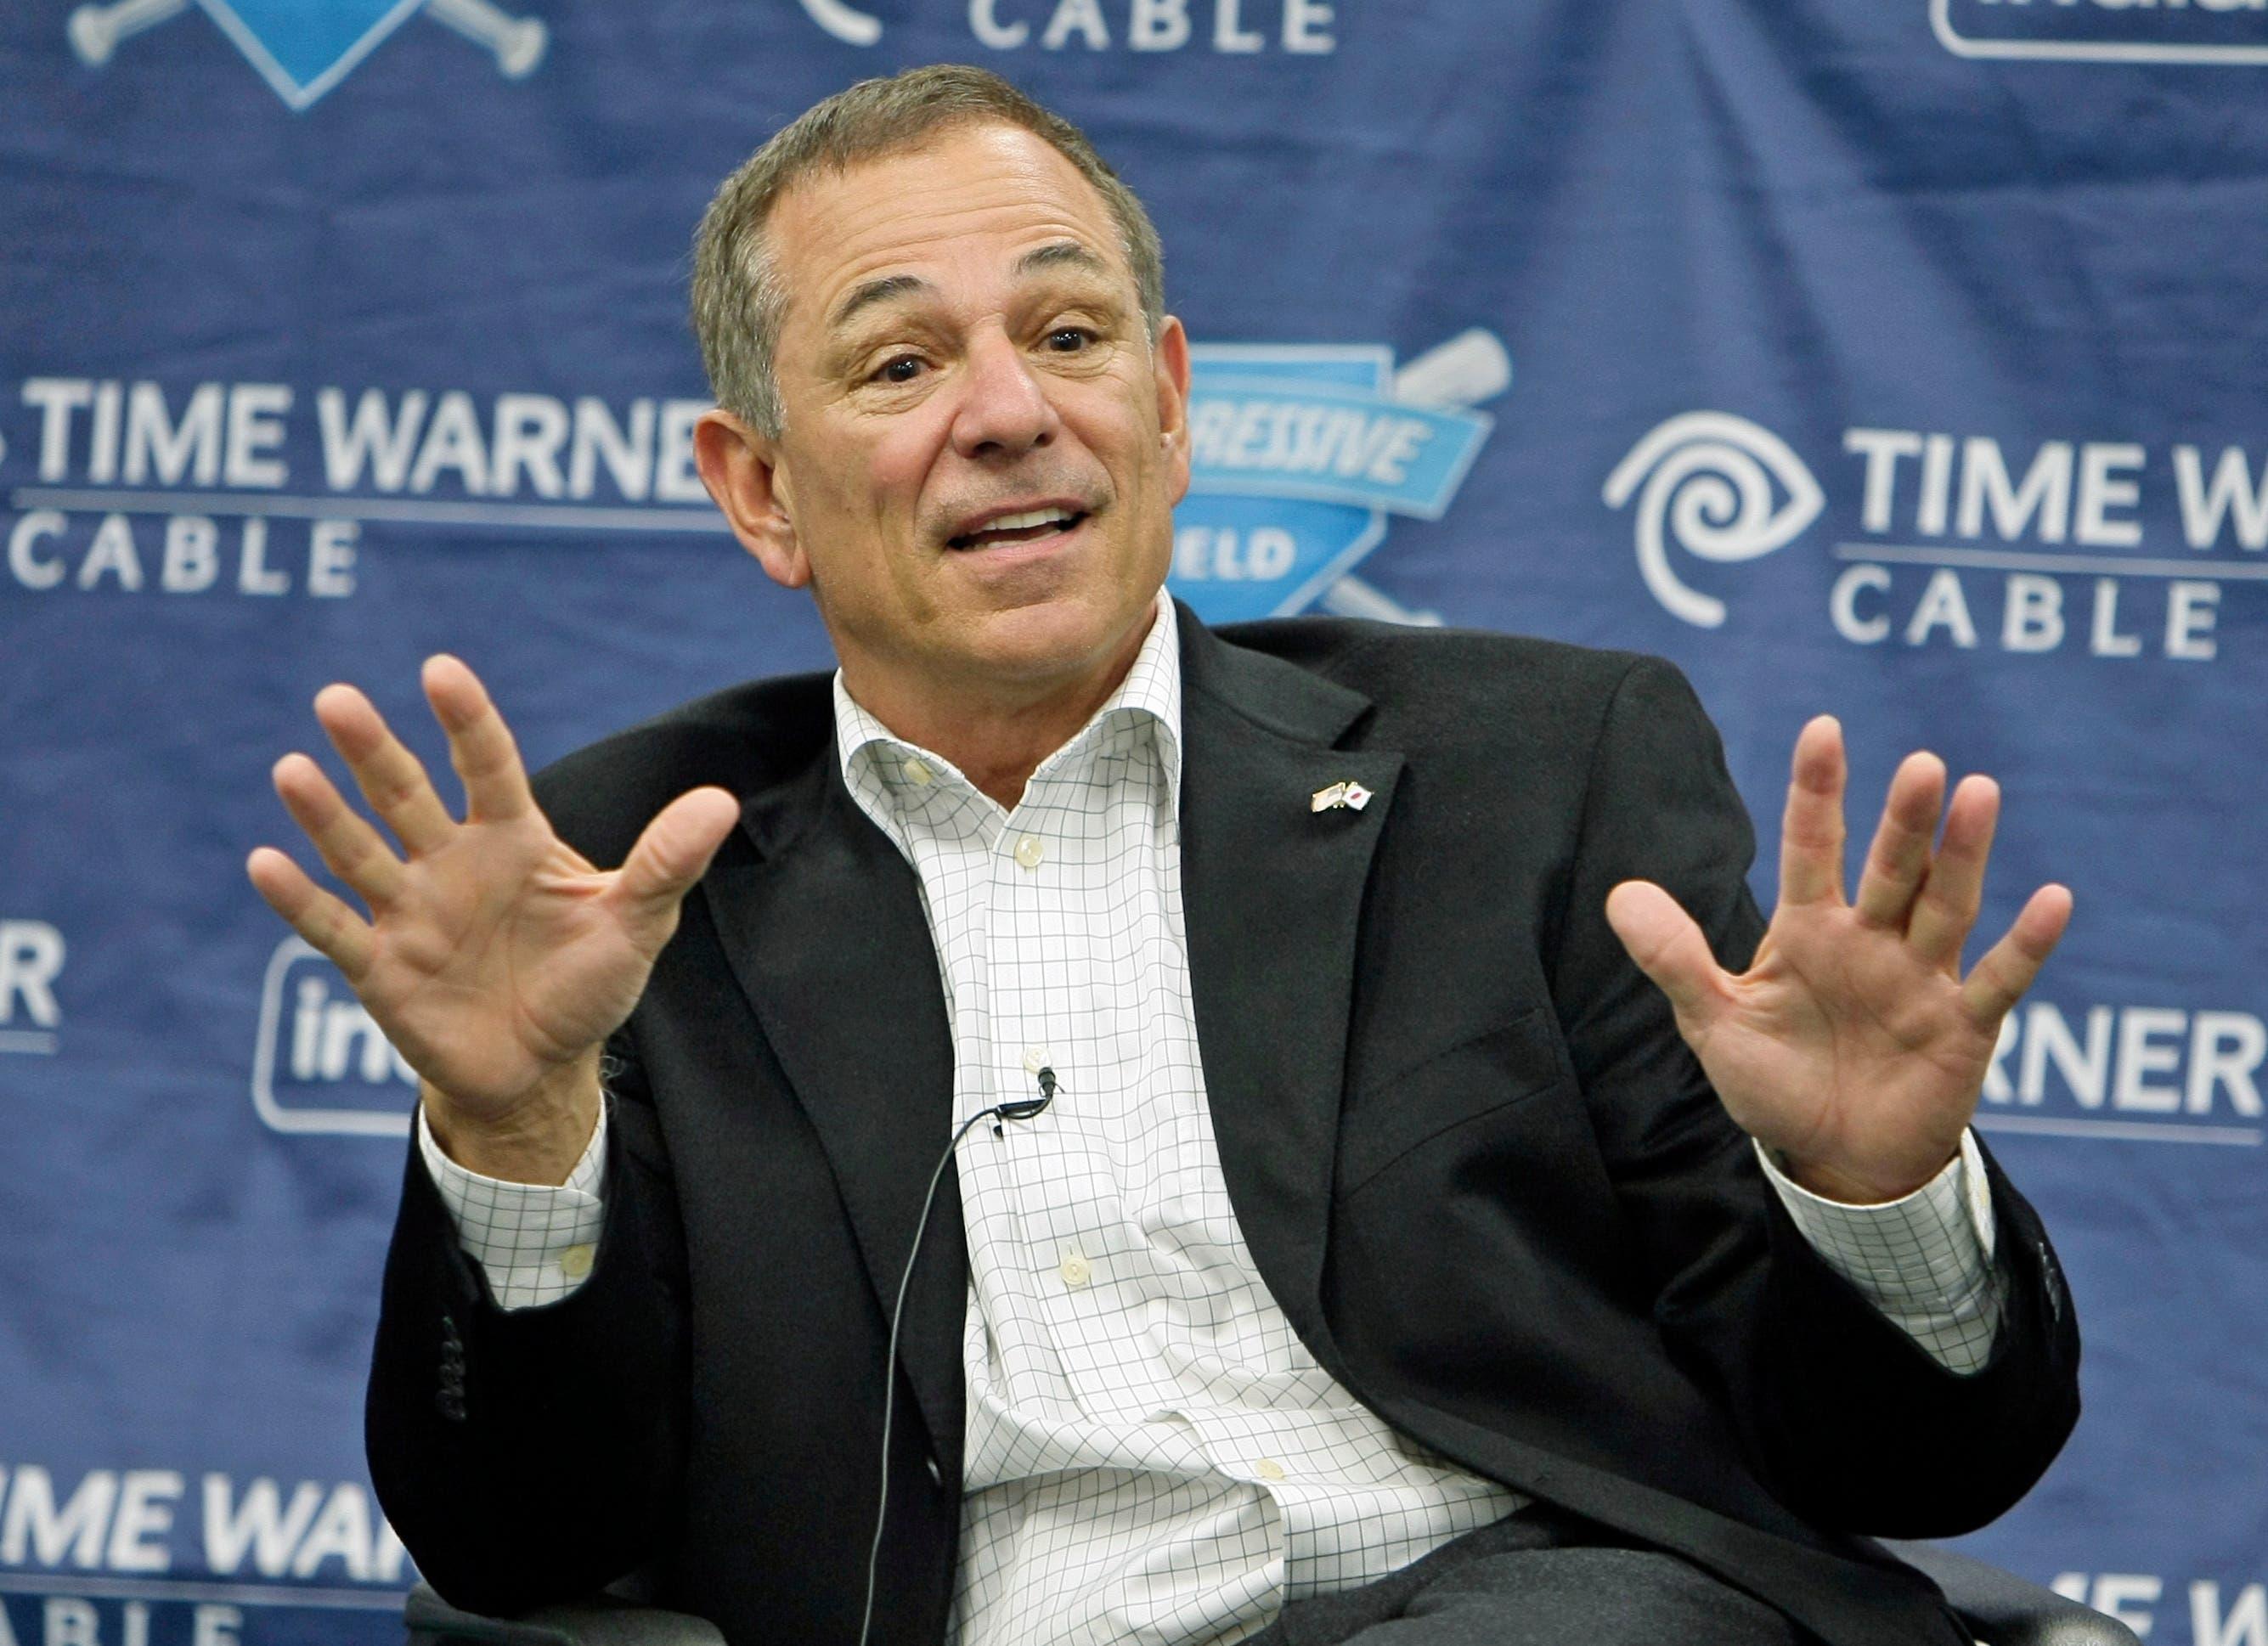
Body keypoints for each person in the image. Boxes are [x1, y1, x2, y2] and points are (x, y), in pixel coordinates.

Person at [247, 65, 2079, 1646]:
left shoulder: (1534, 775)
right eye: (901, 361)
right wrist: (514, 1144)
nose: (1010, 410)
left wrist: (1875, 1202)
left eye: (1067, 333)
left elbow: (1915, 1467)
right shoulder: (629, 877)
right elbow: (521, 1550)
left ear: (1173, 401)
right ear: (758, 489)